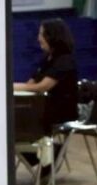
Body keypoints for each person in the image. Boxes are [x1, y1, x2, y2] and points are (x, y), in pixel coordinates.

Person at [14, 18, 79, 176]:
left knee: (18, 122)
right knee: (14, 119)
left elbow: (42, 86)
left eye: (41, 34)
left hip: (60, 111)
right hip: (44, 107)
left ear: (52, 37)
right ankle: (43, 155)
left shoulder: (64, 61)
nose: (39, 38)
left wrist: (15, 86)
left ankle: (47, 154)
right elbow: (31, 82)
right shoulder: (47, 59)